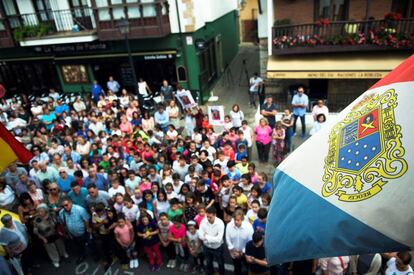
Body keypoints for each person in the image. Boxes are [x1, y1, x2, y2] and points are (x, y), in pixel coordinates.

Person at [33, 203, 68, 268]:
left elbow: (58, 222)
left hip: (55, 233)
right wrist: (43, 238)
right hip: (46, 236)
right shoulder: (36, 220)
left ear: (46, 210)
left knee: (60, 244)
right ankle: (55, 260)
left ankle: (63, 253)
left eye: (41, 211)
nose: (40, 213)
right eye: (38, 211)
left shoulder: (51, 214)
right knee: (51, 249)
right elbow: (35, 231)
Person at [58, 197, 91, 264]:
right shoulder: (61, 213)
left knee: (87, 244)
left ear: (71, 203)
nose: (65, 207)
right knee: (78, 246)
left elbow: (86, 219)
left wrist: (87, 229)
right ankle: (82, 255)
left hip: (83, 232)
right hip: (72, 234)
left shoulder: (80, 209)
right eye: (63, 206)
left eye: (66, 205)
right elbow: (63, 223)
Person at [198, 206, 225, 275]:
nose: (208, 218)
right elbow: (200, 235)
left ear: (215, 215)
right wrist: (212, 238)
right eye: (207, 216)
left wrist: (206, 236)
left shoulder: (220, 223)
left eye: (210, 217)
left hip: (217, 247)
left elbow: (219, 239)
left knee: (220, 263)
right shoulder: (203, 221)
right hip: (207, 246)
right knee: (208, 262)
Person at [226, 210, 254, 275]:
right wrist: (233, 249)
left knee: (247, 269)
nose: (236, 222)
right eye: (235, 219)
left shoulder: (248, 227)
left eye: (238, 220)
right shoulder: (229, 226)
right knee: (237, 268)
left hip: (245, 253)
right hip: (234, 253)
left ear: (242, 219)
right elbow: (227, 238)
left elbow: (250, 241)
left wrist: (242, 252)